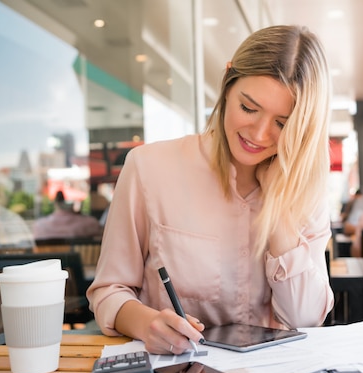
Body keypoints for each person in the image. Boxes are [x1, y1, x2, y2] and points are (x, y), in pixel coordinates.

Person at [87, 25, 334, 355]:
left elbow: (305, 319)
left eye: (283, 123)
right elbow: (109, 290)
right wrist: (146, 323)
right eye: (248, 108)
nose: (259, 135)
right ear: (227, 85)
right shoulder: (149, 168)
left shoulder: (307, 191)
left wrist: (281, 213)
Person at [32, 191, 103, 240]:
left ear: (56, 204)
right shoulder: (89, 223)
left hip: (47, 260)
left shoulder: (39, 225)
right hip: (79, 261)